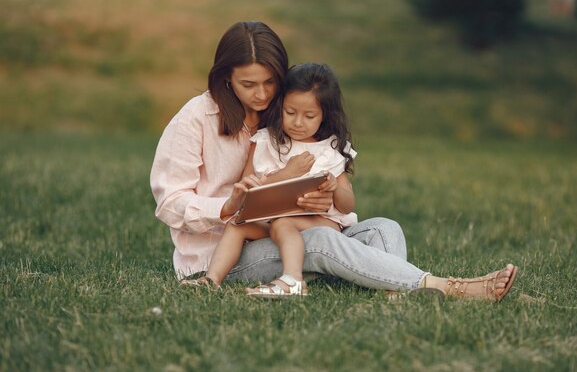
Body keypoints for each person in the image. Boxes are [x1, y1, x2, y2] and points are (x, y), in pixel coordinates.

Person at [150, 20, 518, 302]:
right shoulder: (197, 118)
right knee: (320, 239)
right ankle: (444, 286)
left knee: (383, 229)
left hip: (289, 231)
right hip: (225, 255)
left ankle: (393, 291)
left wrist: (320, 197)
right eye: (248, 85)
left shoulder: (285, 114)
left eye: (270, 83)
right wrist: (226, 206)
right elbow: (169, 203)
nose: (262, 95)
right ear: (226, 78)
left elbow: (320, 184)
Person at [201, 62, 358, 298]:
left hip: (320, 224)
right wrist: (286, 175)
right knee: (236, 225)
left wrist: (335, 189)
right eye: (290, 112)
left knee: (283, 223)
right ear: (280, 106)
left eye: (309, 116)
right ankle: (210, 280)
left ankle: (292, 280)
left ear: (325, 115)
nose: (297, 122)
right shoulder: (265, 142)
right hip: (271, 221)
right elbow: (247, 189)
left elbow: (348, 205)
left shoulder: (329, 149)